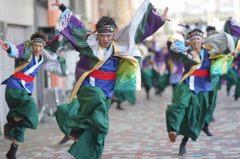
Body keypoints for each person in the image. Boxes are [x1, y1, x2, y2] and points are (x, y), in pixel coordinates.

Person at [51, 0, 169, 158]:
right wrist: (62, 7)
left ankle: (90, 153)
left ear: (114, 34)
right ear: (97, 35)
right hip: (89, 86)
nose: (105, 39)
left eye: (109, 35)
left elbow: (137, 28)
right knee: (99, 105)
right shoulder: (89, 44)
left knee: (99, 128)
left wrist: (158, 19)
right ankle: (75, 126)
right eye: (102, 35)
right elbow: (76, 26)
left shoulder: (120, 47)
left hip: (107, 89)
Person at [166, 28, 240, 156]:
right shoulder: (186, 51)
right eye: (193, 39)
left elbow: (226, 52)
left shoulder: (211, 52)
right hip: (187, 84)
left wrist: (230, 55)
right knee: (179, 106)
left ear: (202, 40)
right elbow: (173, 48)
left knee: (194, 117)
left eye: (198, 39)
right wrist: (187, 51)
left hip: (204, 87)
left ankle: (183, 144)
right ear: (189, 40)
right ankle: (174, 130)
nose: (195, 41)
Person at [0, 32, 69, 159]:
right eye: (35, 45)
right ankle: (10, 124)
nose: (38, 48)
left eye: (40, 46)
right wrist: (9, 47)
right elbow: (17, 51)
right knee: (31, 113)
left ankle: (12, 151)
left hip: (23, 90)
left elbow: (53, 48)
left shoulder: (41, 56)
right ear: (31, 45)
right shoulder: (27, 51)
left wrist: (62, 36)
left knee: (24, 122)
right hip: (15, 88)